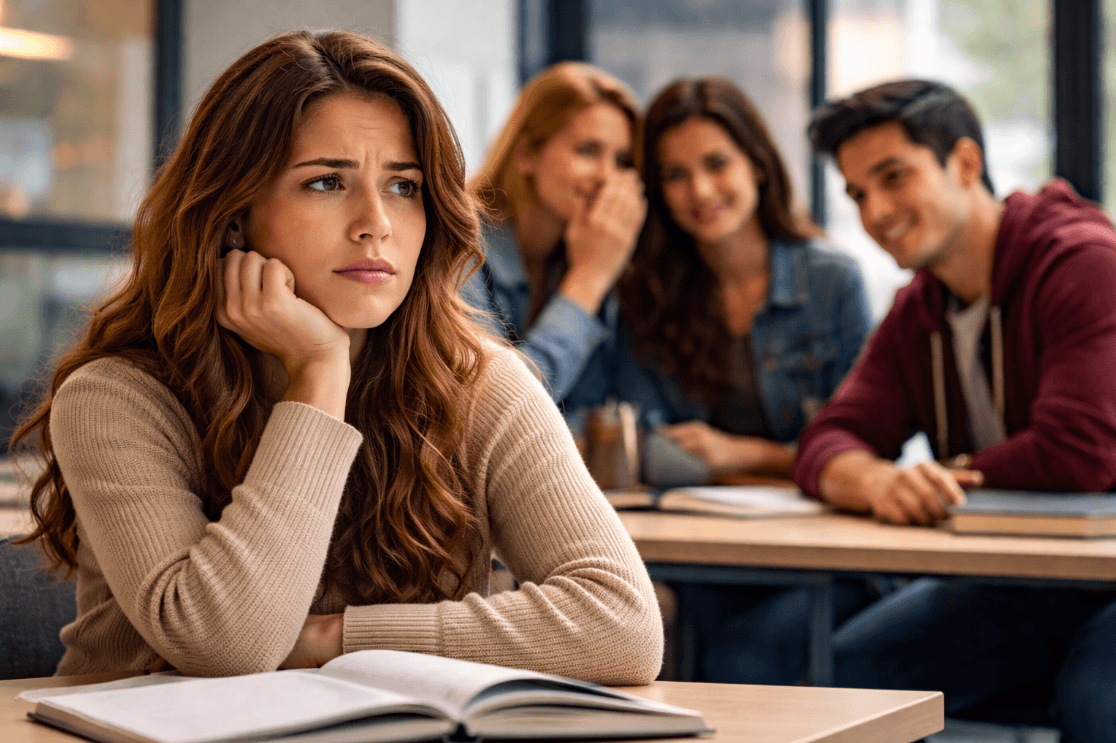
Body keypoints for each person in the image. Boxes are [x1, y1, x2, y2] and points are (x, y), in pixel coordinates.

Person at [10, 30, 662, 683]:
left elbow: (625, 628)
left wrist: (333, 636)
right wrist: (319, 372)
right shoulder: (117, 396)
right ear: (234, 214)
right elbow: (225, 644)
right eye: (326, 182)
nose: (375, 221)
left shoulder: (481, 383)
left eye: (404, 187)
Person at [797, 79, 1116, 741]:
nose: (877, 211)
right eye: (858, 194)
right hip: (1019, 580)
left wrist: (940, 477)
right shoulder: (920, 307)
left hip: (1106, 579)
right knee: (843, 682)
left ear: (965, 164)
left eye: (894, 177)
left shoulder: (1082, 264)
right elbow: (829, 438)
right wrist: (880, 480)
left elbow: (1076, 451)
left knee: (1097, 698)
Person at [613, 77, 875, 685]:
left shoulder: (833, 281)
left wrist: (739, 454)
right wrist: (798, 462)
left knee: (747, 653)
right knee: (653, 637)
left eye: (716, 163)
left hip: (830, 562)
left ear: (757, 165)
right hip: (707, 558)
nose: (699, 190)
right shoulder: (649, 292)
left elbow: (867, 451)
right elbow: (650, 448)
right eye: (676, 175)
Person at [465, 62, 646, 408]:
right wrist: (589, 278)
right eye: (588, 151)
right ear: (526, 155)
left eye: (622, 160)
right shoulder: (455, 247)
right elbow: (496, 409)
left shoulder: (581, 249)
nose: (607, 178)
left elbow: (592, 411)